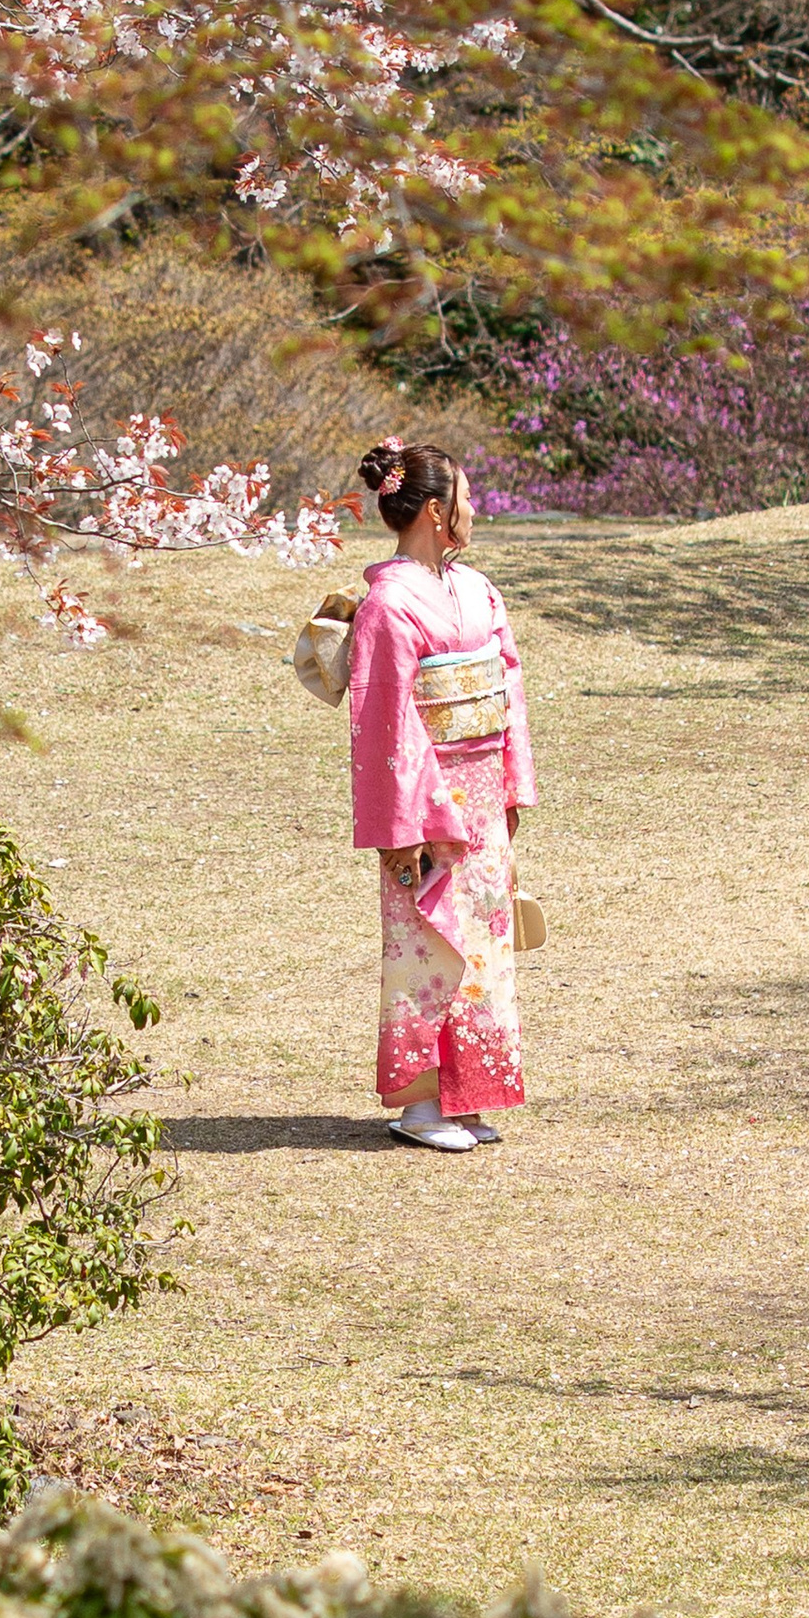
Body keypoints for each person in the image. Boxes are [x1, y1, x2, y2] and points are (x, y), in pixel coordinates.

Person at [346, 440, 535, 1153]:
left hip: (482, 793)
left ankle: (465, 1092)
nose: (474, 508)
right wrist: (409, 823)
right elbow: (387, 720)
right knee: (426, 947)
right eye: (464, 496)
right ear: (434, 509)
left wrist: (511, 786)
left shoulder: (479, 590)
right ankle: (422, 1104)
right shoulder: (388, 604)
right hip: (426, 804)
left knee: (484, 945)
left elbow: (509, 685)